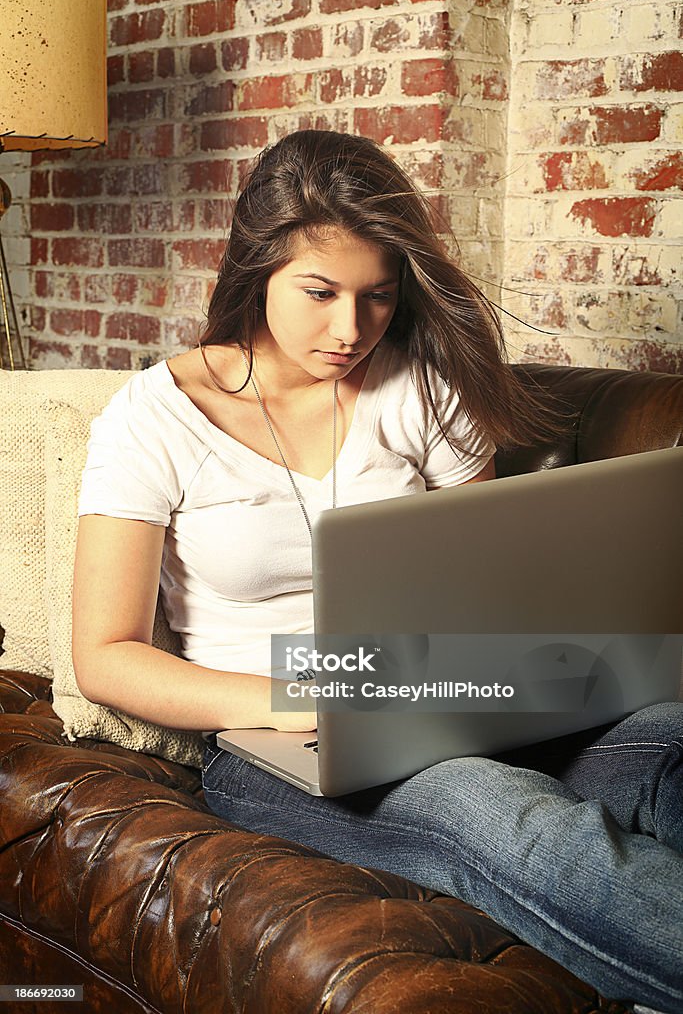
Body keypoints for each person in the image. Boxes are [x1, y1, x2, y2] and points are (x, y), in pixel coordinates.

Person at [72, 130, 682, 1013]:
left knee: (669, 741)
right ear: (255, 269)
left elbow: (484, 567)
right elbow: (108, 654)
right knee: (503, 815)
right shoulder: (153, 419)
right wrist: (309, 699)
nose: (349, 330)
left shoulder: (421, 384)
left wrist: (528, 663)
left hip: (448, 682)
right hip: (275, 719)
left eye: (377, 298)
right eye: (319, 293)